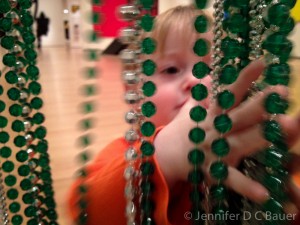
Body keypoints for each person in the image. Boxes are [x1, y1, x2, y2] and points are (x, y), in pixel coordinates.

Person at [67, 5, 300, 225]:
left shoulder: (242, 155)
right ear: (136, 94)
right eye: (170, 70)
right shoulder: (125, 152)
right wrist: (166, 155)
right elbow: (86, 208)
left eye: (211, 69)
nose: (196, 81)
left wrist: (275, 191)